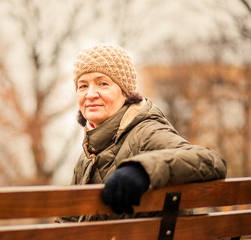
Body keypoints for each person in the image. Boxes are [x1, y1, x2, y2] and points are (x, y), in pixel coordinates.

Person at [57, 44, 227, 222]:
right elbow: (68, 221)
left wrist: (142, 171)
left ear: (125, 91)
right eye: (83, 86)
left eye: (103, 83)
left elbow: (211, 161)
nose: (90, 94)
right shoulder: (86, 156)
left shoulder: (146, 132)